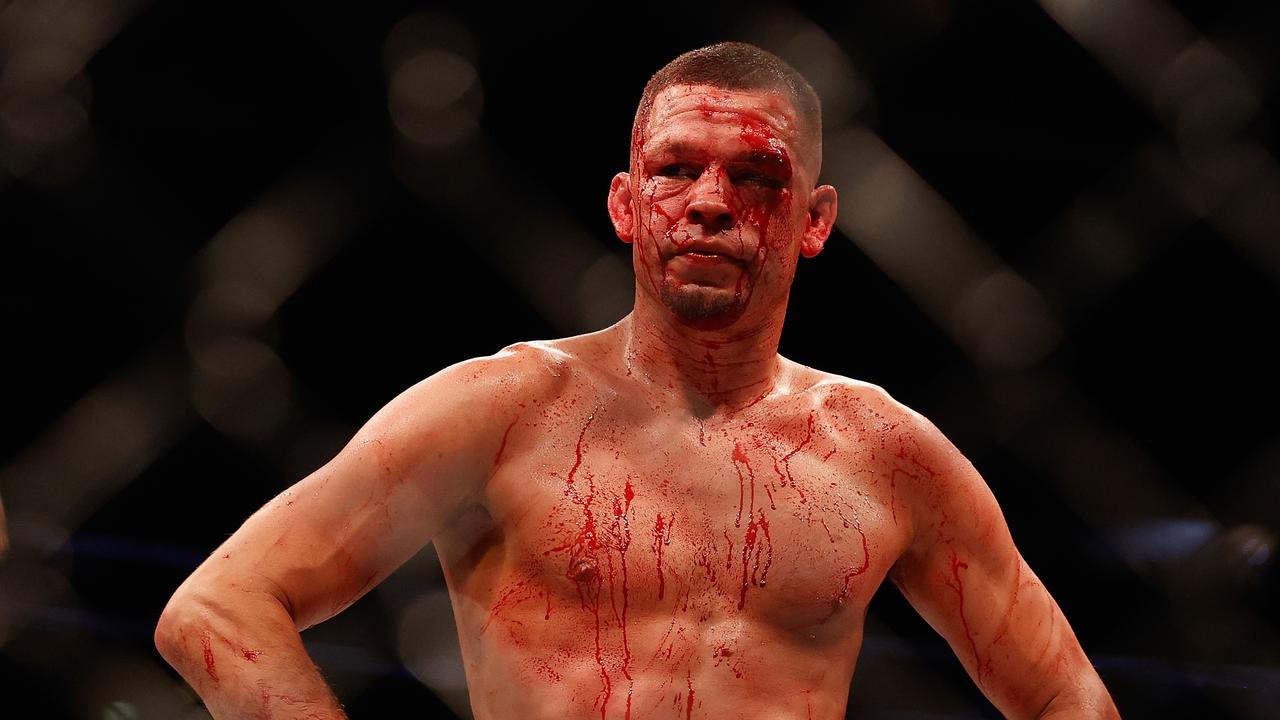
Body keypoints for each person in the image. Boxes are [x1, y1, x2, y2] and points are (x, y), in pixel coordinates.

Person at [155, 42, 1120, 719]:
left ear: (814, 220)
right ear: (626, 203)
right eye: (676, 169)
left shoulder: (884, 452)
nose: (709, 203)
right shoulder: (502, 411)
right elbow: (218, 606)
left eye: (755, 176)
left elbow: (1063, 692)